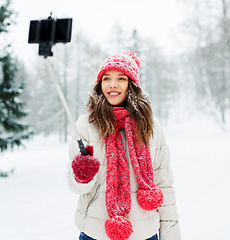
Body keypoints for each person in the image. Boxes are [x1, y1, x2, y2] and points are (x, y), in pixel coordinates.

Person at [68, 51, 181, 240]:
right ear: (100, 84)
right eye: (106, 78)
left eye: (121, 78)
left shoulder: (151, 127)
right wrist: (82, 176)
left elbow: (164, 185)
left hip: (144, 234)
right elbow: (76, 186)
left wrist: (171, 234)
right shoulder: (85, 126)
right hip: (95, 233)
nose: (113, 84)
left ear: (132, 85)